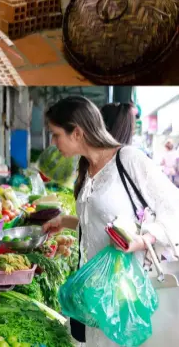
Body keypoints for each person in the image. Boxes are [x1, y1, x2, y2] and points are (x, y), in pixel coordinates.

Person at [43, 95, 179, 347]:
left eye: (55, 134)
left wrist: (142, 240)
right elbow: (98, 223)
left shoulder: (128, 159)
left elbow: (174, 207)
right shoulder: (85, 169)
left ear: (77, 132)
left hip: (128, 290)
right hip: (98, 292)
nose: (53, 143)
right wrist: (65, 221)